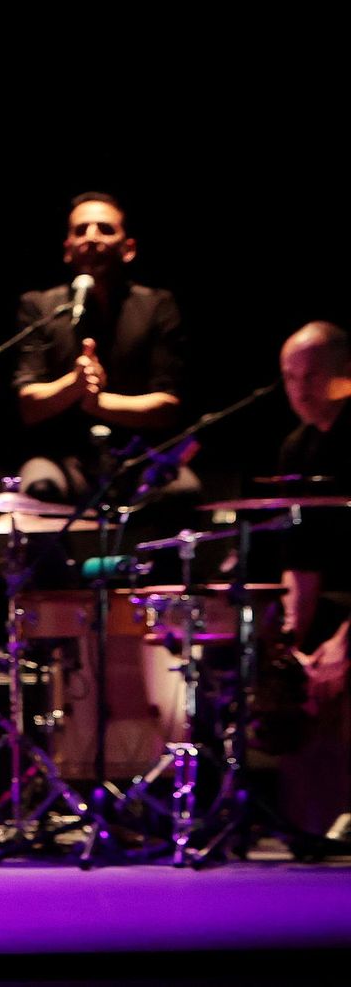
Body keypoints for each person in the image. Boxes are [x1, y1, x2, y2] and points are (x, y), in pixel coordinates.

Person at [12, 192, 194, 507]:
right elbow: (28, 405)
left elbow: (168, 407)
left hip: (138, 458)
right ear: (67, 249)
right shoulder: (40, 306)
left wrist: (98, 403)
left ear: (128, 248)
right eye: (81, 230)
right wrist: (76, 384)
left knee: (181, 491)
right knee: (40, 487)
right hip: (62, 458)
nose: (92, 237)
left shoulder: (157, 306)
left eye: (105, 229)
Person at [272, 321, 350, 838]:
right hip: (330, 604)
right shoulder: (296, 449)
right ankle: (310, 822)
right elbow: (300, 561)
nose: (299, 390)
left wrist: (347, 641)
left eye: (313, 375)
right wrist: (292, 646)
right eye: (289, 377)